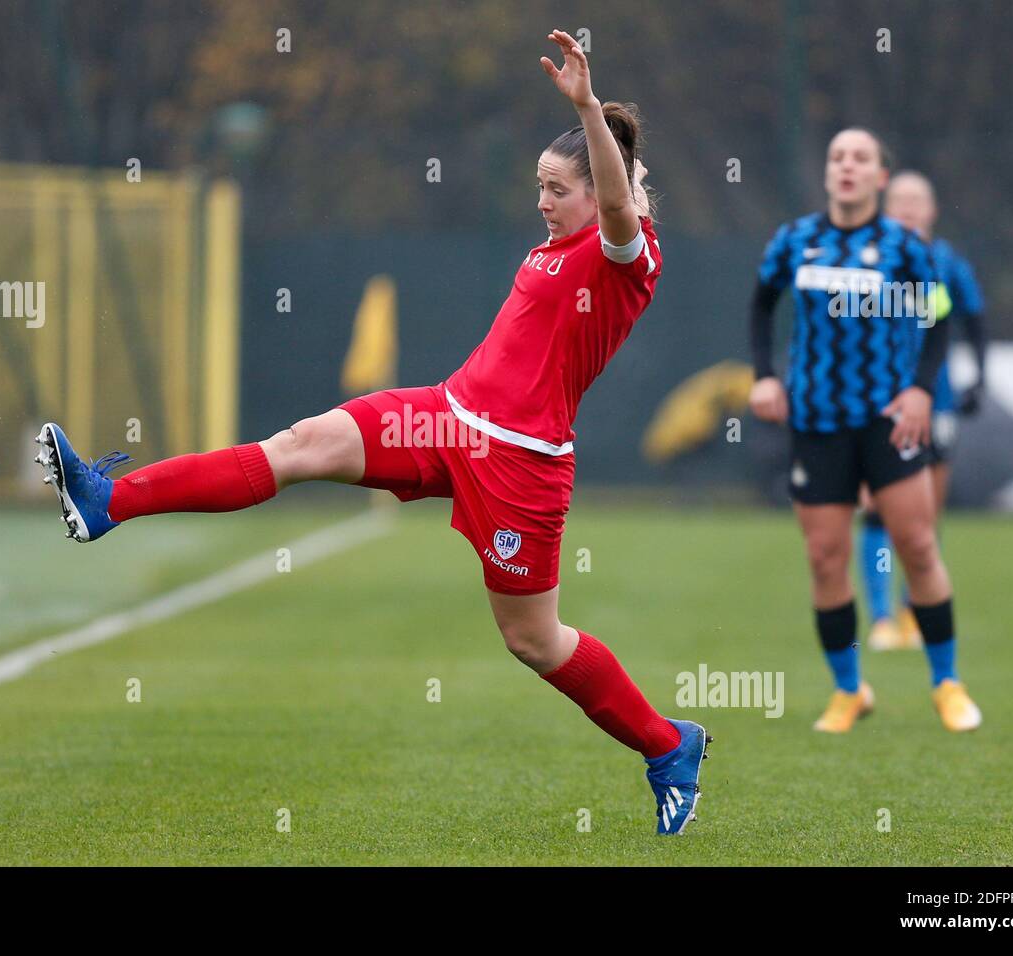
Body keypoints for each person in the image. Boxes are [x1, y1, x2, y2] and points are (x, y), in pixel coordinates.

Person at [35, 31, 712, 834]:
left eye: (554, 188)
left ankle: (670, 745)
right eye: (539, 184)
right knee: (298, 446)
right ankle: (108, 497)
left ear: (601, 190)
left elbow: (611, 204)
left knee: (533, 642)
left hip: (522, 466)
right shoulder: (561, 245)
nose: (542, 200)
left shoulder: (625, 255)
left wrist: (587, 109)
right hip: (445, 417)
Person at [748, 127, 981, 733]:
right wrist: (765, 376)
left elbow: (938, 319)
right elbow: (760, 302)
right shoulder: (797, 239)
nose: (846, 166)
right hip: (817, 424)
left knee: (920, 546)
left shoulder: (903, 248)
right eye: (836, 157)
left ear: (879, 177)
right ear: (827, 173)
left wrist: (922, 390)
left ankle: (947, 684)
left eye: (860, 158)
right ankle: (849, 690)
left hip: (887, 423)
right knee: (827, 559)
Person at [860, 170, 989, 651]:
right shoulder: (867, 259)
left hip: (937, 403)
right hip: (877, 400)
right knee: (876, 509)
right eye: (900, 200)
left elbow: (973, 319)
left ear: (932, 210)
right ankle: (880, 618)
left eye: (918, 200)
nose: (910, 208)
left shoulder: (946, 263)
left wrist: (980, 375)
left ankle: (915, 610)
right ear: (885, 207)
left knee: (924, 516)